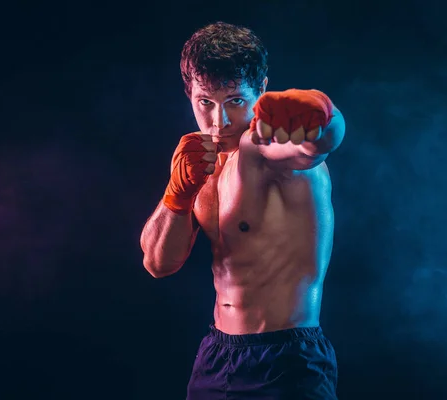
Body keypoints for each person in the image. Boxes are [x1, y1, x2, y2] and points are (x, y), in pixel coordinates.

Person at [140, 21, 345, 399]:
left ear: (261, 89)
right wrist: (176, 194)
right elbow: (157, 264)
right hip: (217, 356)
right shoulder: (199, 161)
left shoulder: (262, 147)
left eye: (235, 101)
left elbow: (314, 146)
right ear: (190, 95)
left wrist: (326, 117)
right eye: (205, 102)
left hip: (286, 359)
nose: (219, 122)